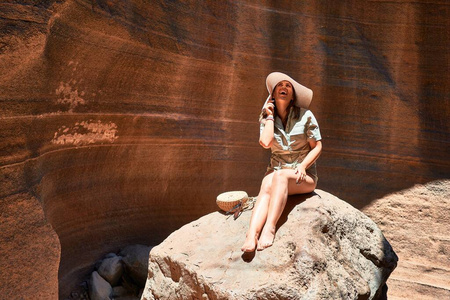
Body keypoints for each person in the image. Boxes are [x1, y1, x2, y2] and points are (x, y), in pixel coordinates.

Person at [241, 72, 322, 252]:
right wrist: (269, 116)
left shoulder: (306, 116)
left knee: (279, 177)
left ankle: (270, 228)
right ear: (273, 94)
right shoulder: (266, 116)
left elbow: (317, 146)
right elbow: (266, 142)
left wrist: (302, 165)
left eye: (288, 86)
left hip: (303, 176)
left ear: (293, 95)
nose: (284, 88)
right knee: (267, 183)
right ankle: (251, 235)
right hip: (277, 172)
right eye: (280, 85)